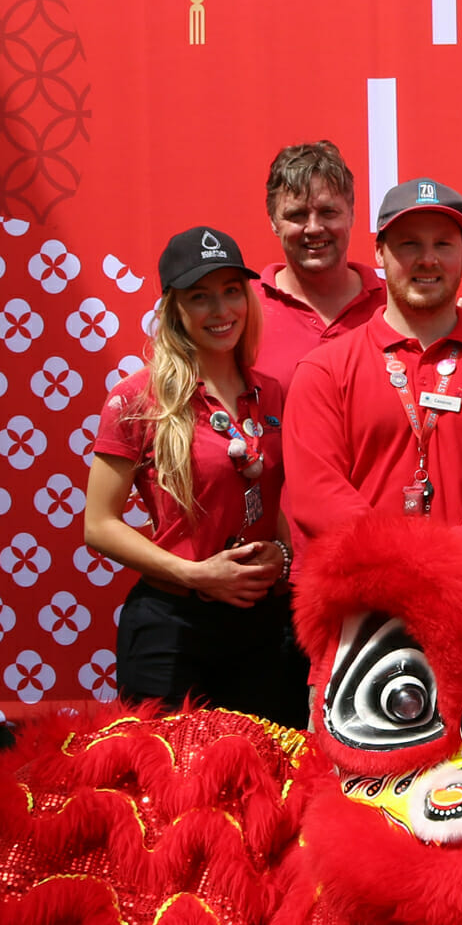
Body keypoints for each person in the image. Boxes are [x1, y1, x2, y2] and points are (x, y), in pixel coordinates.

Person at [83, 226, 307, 728]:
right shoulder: (137, 399)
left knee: (268, 784)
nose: (221, 310)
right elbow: (98, 524)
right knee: (173, 790)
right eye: (200, 297)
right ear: (175, 309)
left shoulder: (273, 394)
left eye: (232, 291)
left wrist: (284, 556)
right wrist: (195, 574)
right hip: (172, 627)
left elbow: (269, 504)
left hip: (263, 629)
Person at [282, 177, 462, 555]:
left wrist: (451, 564)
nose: (427, 259)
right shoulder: (324, 369)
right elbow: (315, 496)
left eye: (442, 244)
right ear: (379, 253)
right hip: (370, 597)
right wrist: (410, 561)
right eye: (410, 244)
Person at [255, 141, 385, 391]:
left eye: (328, 212)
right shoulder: (243, 311)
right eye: (297, 215)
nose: (314, 227)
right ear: (273, 220)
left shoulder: (394, 306)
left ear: (351, 214)